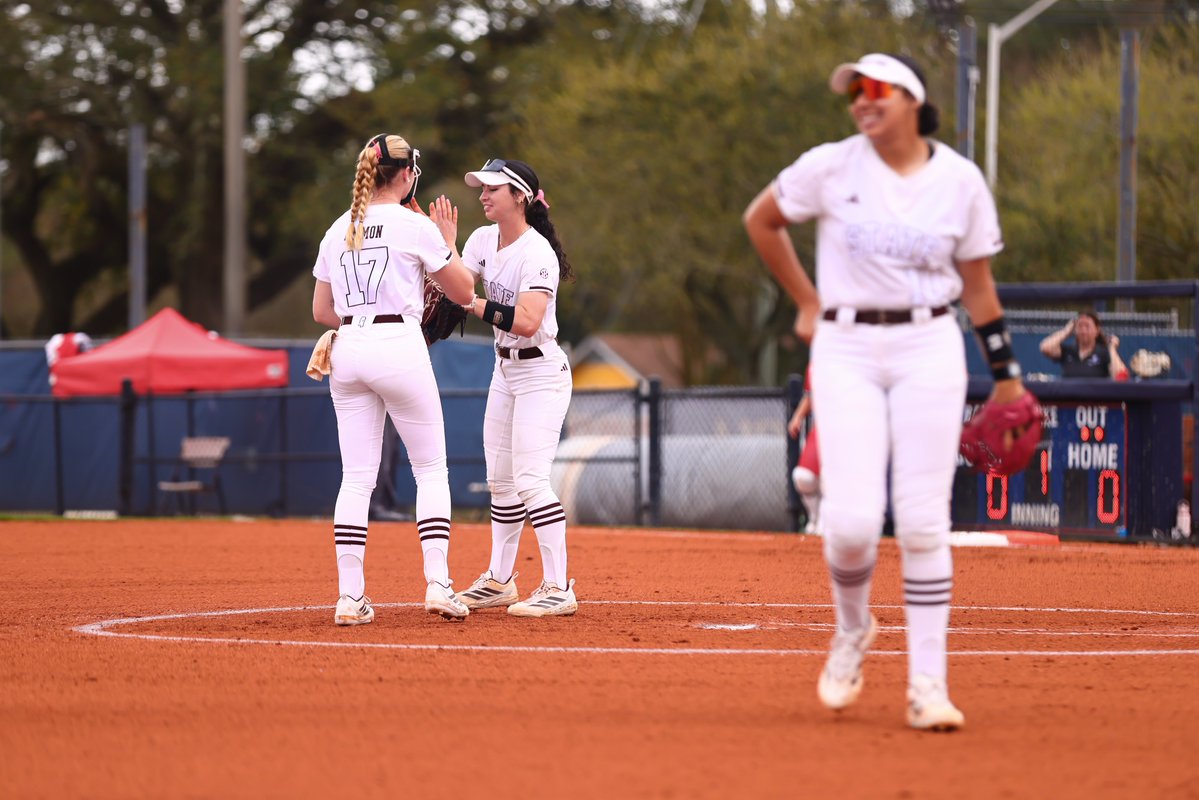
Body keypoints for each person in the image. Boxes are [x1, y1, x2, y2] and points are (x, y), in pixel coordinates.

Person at [743, 53, 1033, 732]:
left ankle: (927, 684)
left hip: (928, 344)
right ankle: (852, 629)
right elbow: (761, 220)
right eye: (854, 93)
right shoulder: (831, 165)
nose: (860, 102)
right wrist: (806, 300)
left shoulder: (958, 181)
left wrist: (1007, 373)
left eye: (875, 90)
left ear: (912, 100)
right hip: (844, 346)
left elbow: (979, 288)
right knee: (847, 525)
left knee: (924, 518)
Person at [311, 133, 478, 625]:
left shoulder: (337, 228)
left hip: (350, 348)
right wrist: (448, 242)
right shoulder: (414, 224)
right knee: (429, 470)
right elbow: (465, 291)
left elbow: (322, 311)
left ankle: (350, 596)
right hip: (398, 344)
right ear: (407, 175)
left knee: (356, 478)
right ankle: (439, 584)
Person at [450, 158, 578, 618]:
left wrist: (473, 301)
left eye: (493, 189)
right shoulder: (483, 239)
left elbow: (526, 322)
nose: (483, 195)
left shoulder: (536, 251)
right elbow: (456, 286)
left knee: (529, 480)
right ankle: (500, 581)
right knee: (500, 481)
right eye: (481, 188)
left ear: (519, 197)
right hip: (504, 371)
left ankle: (559, 586)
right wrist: (443, 249)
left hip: (541, 371)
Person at [1039, 311, 1128, 379]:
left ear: (1097, 330)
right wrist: (1066, 331)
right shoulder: (1069, 351)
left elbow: (1120, 375)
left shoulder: (1104, 352)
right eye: (1080, 326)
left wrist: (1112, 348)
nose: (1083, 330)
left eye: (1087, 326)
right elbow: (1045, 347)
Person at [787, 360, 821, 535]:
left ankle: (828, 522)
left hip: (847, 429)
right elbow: (810, 396)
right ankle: (815, 519)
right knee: (803, 476)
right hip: (821, 429)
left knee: (834, 480)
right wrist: (797, 417)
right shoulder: (815, 364)